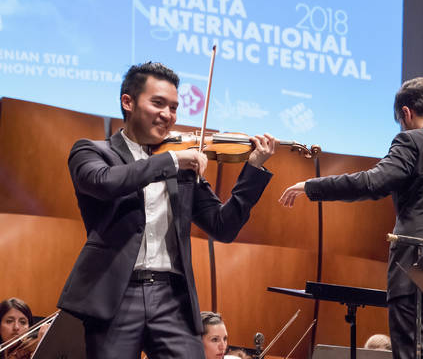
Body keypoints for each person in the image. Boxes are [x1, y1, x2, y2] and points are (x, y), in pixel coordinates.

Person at [57, 62, 276, 359]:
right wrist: (172, 160)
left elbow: (223, 227)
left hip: (172, 297)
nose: (168, 115)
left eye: (174, 107)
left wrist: (253, 169)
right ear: (128, 102)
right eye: (158, 103)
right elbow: (104, 183)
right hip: (115, 296)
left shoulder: (181, 161)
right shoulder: (93, 152)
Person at [279, 77, 423, 359]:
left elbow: (373, 182)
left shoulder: (412, 140)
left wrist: (312, 186)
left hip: (420, 271)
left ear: (406, 113)